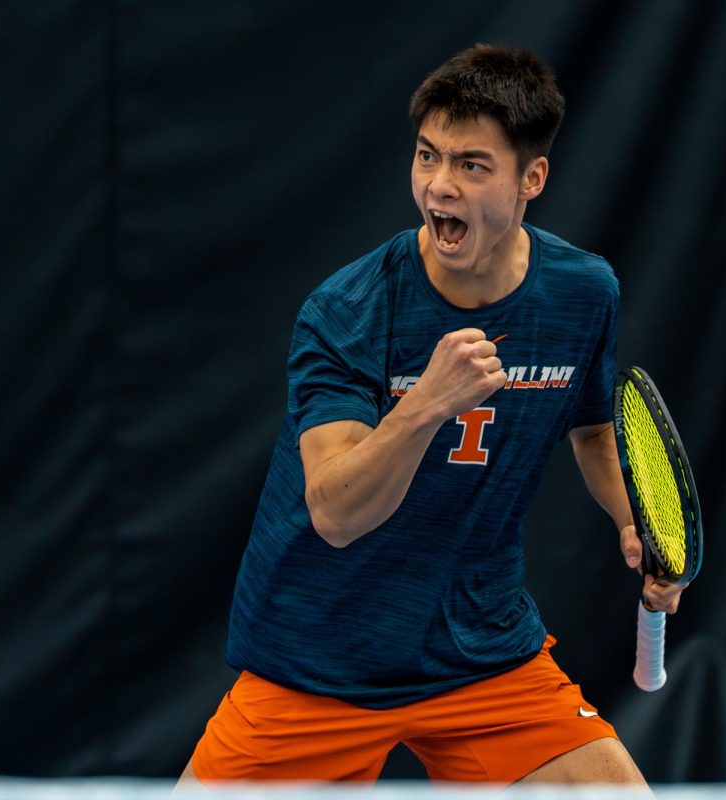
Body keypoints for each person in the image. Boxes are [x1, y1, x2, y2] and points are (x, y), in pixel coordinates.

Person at [179, 43, 685, 787]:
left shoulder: (583, 293)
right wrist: (426, 405)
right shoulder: (347, 311)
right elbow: (336, 513)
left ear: (532, 179)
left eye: (472, 165)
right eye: (427, 156)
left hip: (481, 655)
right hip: (318, 661)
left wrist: (634, 522)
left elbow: (594, 430)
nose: (439, 185)